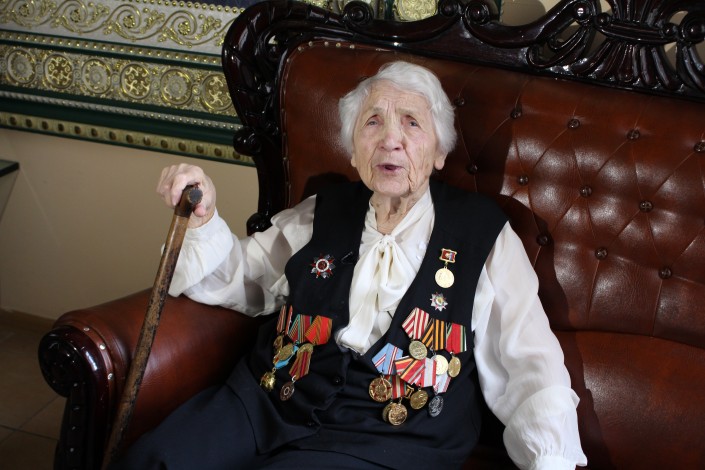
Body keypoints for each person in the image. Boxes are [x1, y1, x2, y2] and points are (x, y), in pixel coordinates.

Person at [113, 61, 587, 469]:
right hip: (265, 403)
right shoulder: (322, 211)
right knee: (155, 460)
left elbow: (530, 364)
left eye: (411, 123)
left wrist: (550, 458)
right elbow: (240, 278)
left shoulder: (482, 233)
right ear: (353, 149)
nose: (391, 140)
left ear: (441, 151)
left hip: (386, 439)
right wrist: (202, 217)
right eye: (372, 122)